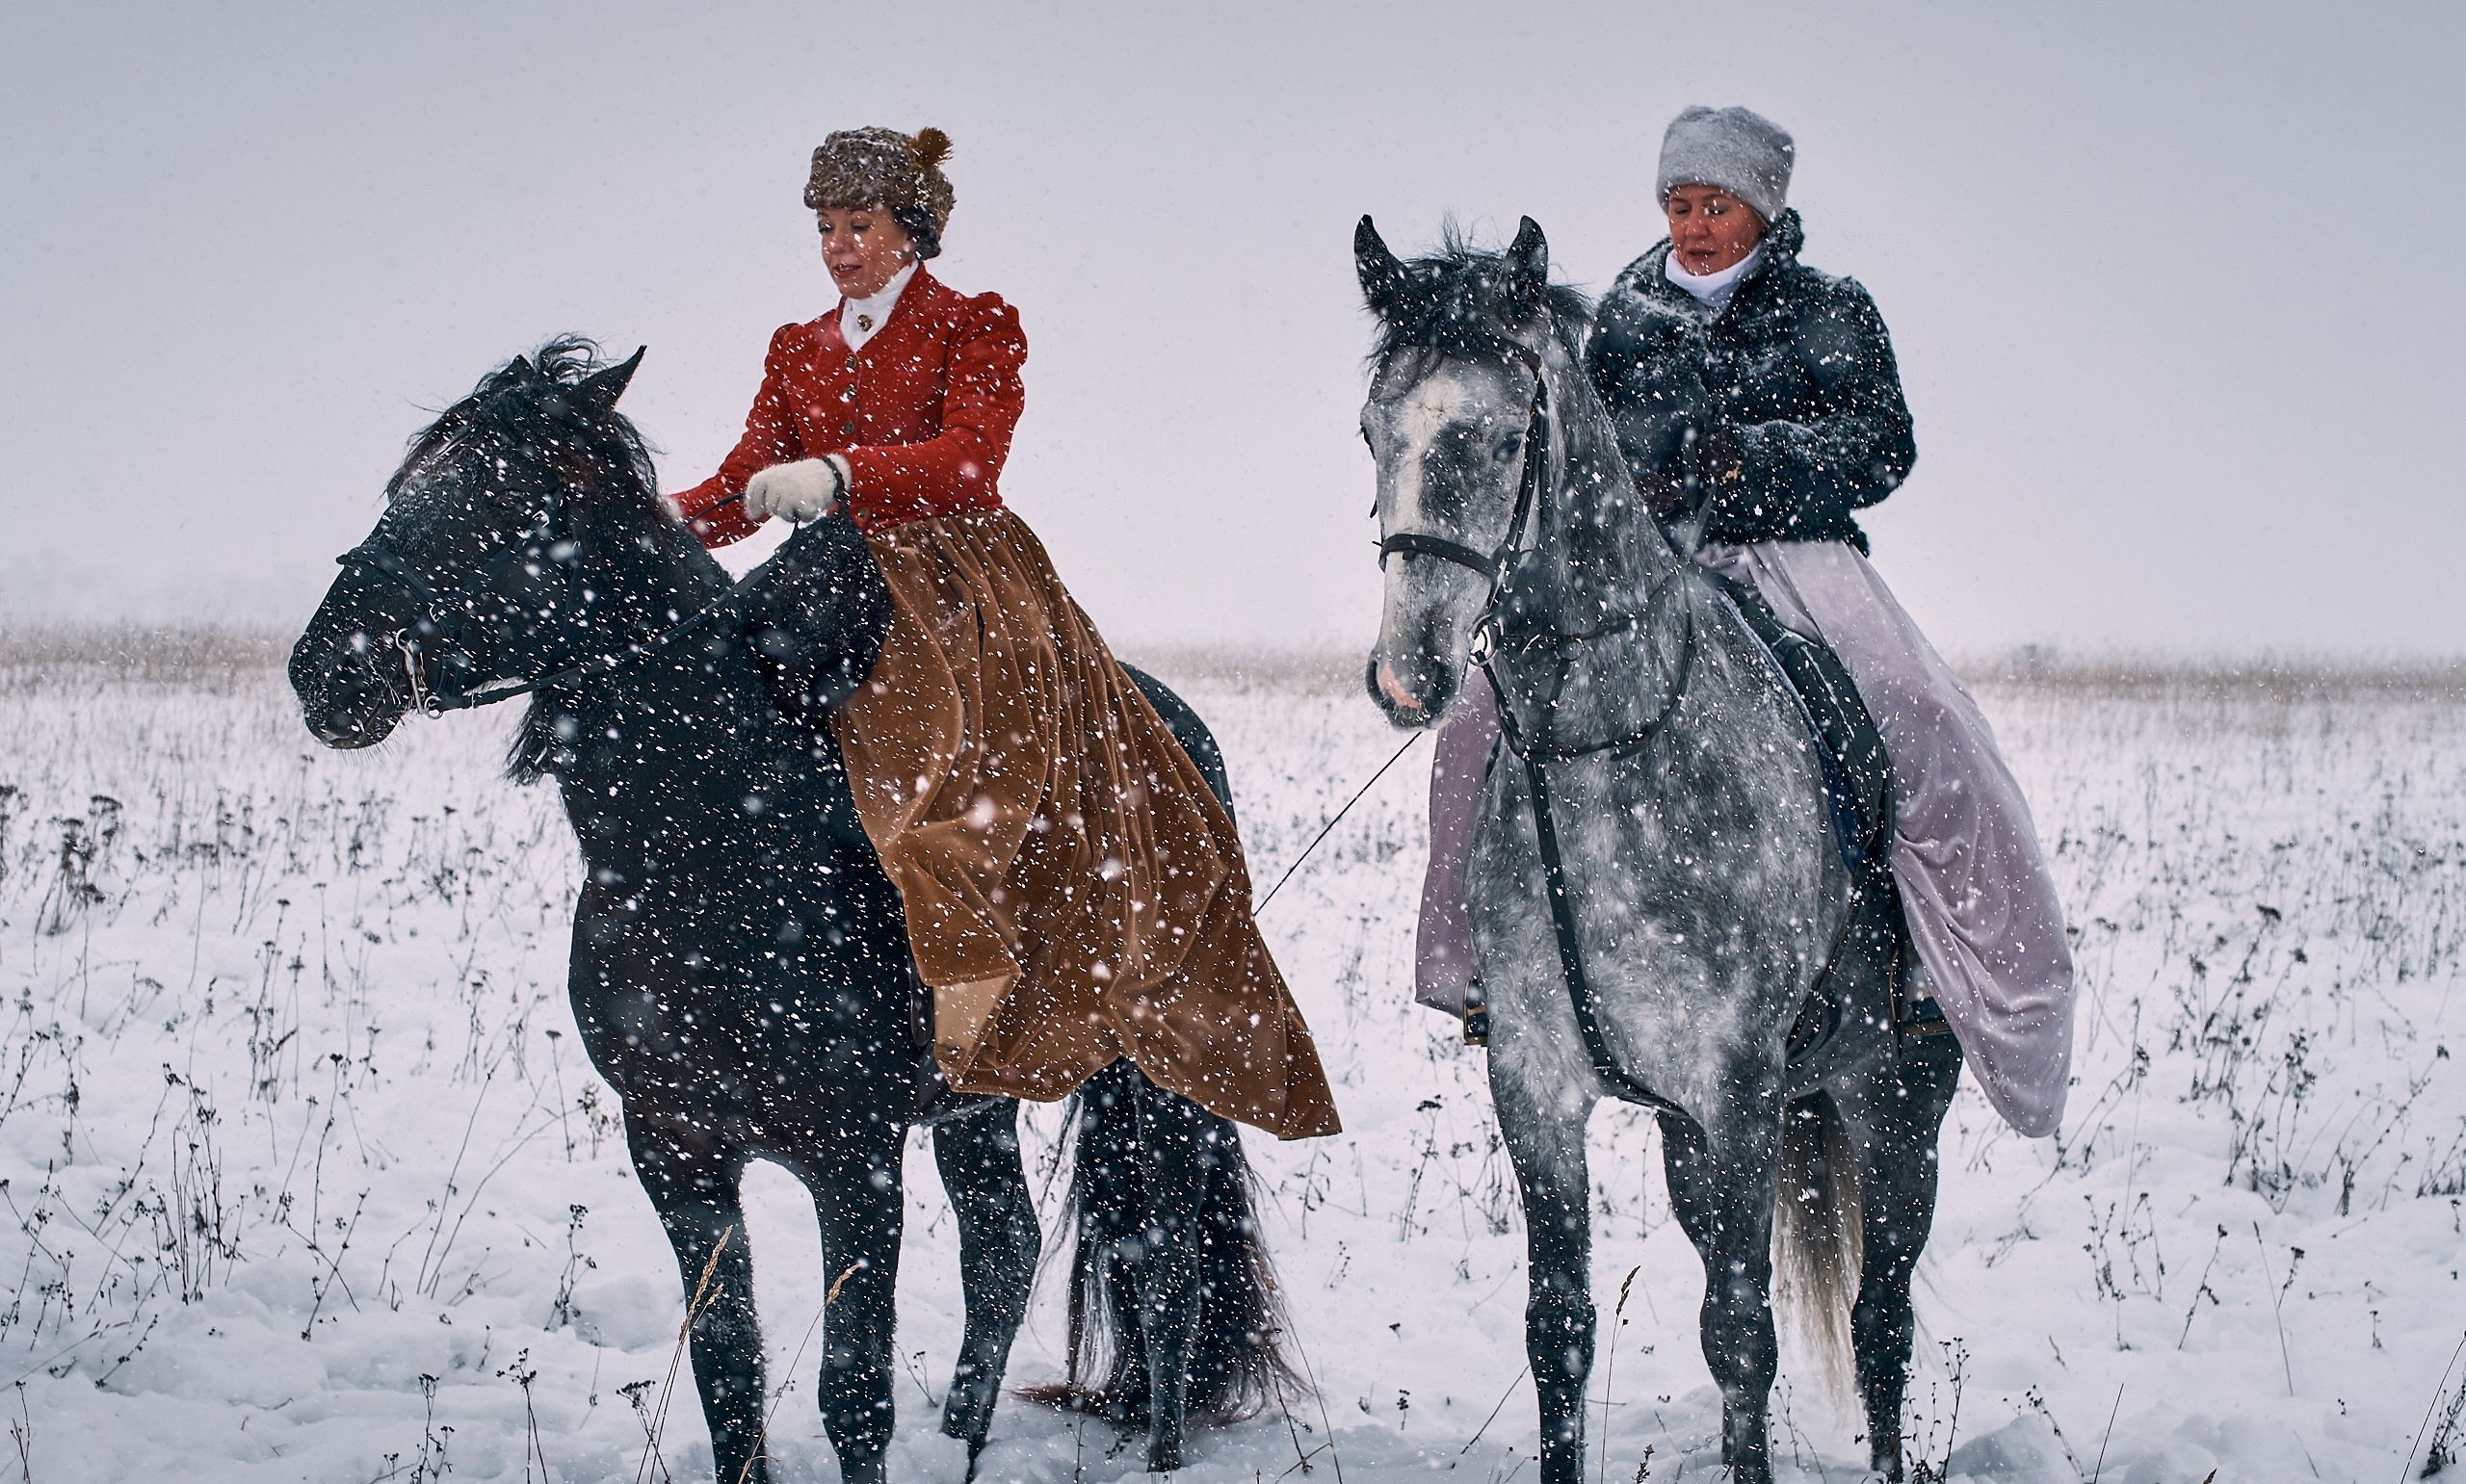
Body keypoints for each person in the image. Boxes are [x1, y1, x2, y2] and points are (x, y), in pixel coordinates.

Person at [1416, 106, 2074, 1137]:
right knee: (1473, 717)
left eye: (1715, 205)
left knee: (1921, 714)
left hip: (1797, 557)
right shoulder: (1623, 315)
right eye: (1677, 204)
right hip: (1649, 567)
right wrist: (1622, 493)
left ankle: (1938, 970)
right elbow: (1577, 448)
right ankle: (1483, 965)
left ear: (1763, 209)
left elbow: (1882, 445)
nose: (1693, 226)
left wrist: (1754, 459)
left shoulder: (1829, 309)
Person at [670, 126, 1335, 1142]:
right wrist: (653, 521)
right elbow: (742, 480)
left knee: (952, 752)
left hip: (956, 577)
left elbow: (969, 459)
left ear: (911, 230)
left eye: (859, 226)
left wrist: (843, 473)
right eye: (826, 228)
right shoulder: (794, 346)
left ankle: (982, 979)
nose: (840, 247)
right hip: (827, 581)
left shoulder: (973, 322)